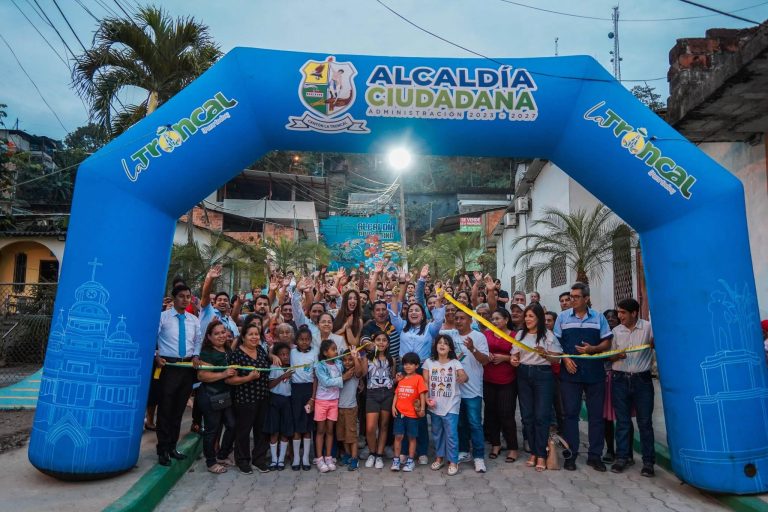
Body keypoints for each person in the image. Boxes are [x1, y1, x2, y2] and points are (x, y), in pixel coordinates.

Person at [553, 282, 613, 472]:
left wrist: (592, 349)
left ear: (586, 299)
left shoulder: (598, 317)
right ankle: (571, 454)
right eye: (571, 297)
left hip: (595, 373)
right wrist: (565, 359)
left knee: (596, 416)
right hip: (570, 374)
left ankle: (595, 456)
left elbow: (607, 342)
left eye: (576, 297)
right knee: (570, 415)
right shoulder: (562, 318)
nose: (572, 300)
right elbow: (555, 344)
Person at [155, 284, 202, 466]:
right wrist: (156, 355)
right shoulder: (163, 317)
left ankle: (173, 446)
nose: (185, 299)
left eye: (188, 296)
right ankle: (162, 449)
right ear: (174, 298)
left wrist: (196, 355)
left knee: (179, 409)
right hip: (168, 365)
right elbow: (152, 338)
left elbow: (198, 340)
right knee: (166, 409)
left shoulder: (193, 319)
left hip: (187, 366)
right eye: (181, 296)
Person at [512, 303, 563, 472]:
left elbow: (557, 359)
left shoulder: (548, 336)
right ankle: (533, 452)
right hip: (524, 375)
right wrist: (514, 360)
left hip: (543, 376)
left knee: (542, 416)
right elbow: (515, 356)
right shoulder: (520, 334)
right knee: (527, 416)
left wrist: (545, 354)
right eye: (526, 316)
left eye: (531, 316)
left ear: (539, 318)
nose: (527, 319)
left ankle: (541, 454)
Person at [610, 298, 656, 477]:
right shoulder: (615, 331)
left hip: (642, 380)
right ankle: (622, 457)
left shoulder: (648, 328)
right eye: (618, 312)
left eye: (622, 312)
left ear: (634, 313)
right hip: (620, 379)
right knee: (622, 422)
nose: (619, 316)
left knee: (645, 422)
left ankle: (648, 462)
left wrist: (654, 342)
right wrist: (615, 356)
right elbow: (609, 357)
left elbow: (656, 343)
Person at [226, 322, 271, 474]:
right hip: (245, 399)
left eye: (257, 334)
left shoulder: (261, 350)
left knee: (261, 430)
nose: (254, 337)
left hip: (263, 397)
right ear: (243, 337)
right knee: (243, 431)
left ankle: (259, 459)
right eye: (251, 334)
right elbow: (229, 380)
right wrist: (249, 378)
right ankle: (242, 461)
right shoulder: (237, 354)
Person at [451, 309, 490, 473]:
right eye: (456, 318)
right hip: (455, 389)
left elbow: (486, 361)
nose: (459, 321)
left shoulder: (479, 336)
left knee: (475, 423)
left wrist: (473, 349)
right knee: (460, 423)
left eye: (462, 318)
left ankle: (479, 457)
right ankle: (464, 451)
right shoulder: (451, 335)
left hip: (473, 389)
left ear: (470, 320)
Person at [423, 334, 467, 476]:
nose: (442, 345)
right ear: (435, 346)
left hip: (451, 404)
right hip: (435, 404)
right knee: (437, 433)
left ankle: (453, 461)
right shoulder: (429, 362)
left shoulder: (455, 363)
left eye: (446, 343)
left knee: (451, 434)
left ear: (450, 348)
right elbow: (425, 383)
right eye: (440, 343)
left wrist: (462, 377)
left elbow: (464, 376)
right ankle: (439, 457)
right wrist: (425, 399)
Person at [196, 321, 237, 474]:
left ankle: (222, 455)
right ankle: (210, 462)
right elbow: (202, 375)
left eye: (223, 332)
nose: (221, 335)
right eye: (217, 333)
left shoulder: (226, 348)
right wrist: (223, 374)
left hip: (225, 395)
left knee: (232, 425)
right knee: (212, 430)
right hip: (210, 395)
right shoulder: (207, 352)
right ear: (209, 336)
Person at [483, 309, 519, 462]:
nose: (495, 321)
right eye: (493, 319)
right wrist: (488, 356)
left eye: (498, 318)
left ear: (506, 319)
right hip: (488, 378)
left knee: (506, 414)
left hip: (507, 380)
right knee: (491, 413)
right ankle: (495, 444)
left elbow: (518, 357)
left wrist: (504, 358)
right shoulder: (486, 334)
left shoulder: (514, 335)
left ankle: (512, 448)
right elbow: (481, 351)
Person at [314, 339, 352, 473]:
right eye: (333, 349)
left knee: (330, 430)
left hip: (334, 401)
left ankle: (329, 457)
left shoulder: (338, 364)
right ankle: (319, 458)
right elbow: (325, 382)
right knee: (320, 430)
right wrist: (344, 378)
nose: (336, 352)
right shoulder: (320, 365)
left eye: (336, 349)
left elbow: (349, 367)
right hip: (321, 401)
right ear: (325, 352)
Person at [391, 352, 428, 472]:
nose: (408, 366)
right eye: (406, 364)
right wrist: (393, 406)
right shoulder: (401, 379)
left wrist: (422, 409)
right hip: (400, 413)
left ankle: (410, 461)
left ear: (417, 366)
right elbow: (397, 394)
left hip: (412, 415)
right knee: (398, 436)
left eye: (411, 364)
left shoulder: (419, 378)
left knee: (412, 437)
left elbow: (422, 394)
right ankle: (396, 460)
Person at [365, 332, 396, 469]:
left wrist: (398, 379)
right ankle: (372, 452)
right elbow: (361, 374)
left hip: (387, 393)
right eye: (378, 339)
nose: (381, 342)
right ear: (373, 342)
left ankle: (379, 455)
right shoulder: (367, 358)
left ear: (388, 344)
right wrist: (357, 358)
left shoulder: (392, 360)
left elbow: (392, 377)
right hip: (372, 393)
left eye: (384, 340)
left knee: (384, 425)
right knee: (371, 427)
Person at [289, 326, 316, 471]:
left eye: (307, 339)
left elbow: (316, 377)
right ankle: (296, 457)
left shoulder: (315, 353)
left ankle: (305, 457)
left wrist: (313, 398)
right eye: (301, 339)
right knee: (296, 424)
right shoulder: (292, 353)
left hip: (309, 389)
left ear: (311, 340)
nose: (304, 342)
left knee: (307, 425)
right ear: (296, 340)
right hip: (295, 390)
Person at [265, 342, 294, 471]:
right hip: (275, 401)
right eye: (282, 354)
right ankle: (274, 459)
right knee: (274, 431)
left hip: (287, 401)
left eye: (287, 354)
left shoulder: (293, 367)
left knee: (285, 431)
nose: (285, 357)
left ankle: (281, 460)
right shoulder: (274, 367)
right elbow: (270, 385)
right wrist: (283, 376)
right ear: (277, 356)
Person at [337, 347, 365, 471]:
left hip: (350, 408)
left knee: (352, 436)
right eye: (345, 360)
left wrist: (355, 357)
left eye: (350, 360)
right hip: (338, 408)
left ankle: (354, 458)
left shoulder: (354, 373)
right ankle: (347, 455)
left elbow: (360, 371)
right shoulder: (339, 373)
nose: (347, 362)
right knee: (342, 435)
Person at [199, 266, 239, 338]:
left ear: (229, 304)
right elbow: (205, 295)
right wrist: (210, 279)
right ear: (214, 303)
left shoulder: (228, 322)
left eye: (225, 300)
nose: (222, 302)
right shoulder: (208, 310)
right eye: (219, 300)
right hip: (202, 348)